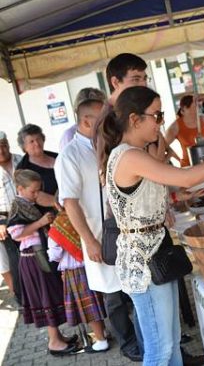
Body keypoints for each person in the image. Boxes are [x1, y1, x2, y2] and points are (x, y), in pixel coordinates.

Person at [97, 86, 204, 365]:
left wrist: (180, 195)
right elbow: (185, 177)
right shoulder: (129, 155)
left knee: (170, 346)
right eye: (157, 115)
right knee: (160, 350)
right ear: (134, 119)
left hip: (154, 255)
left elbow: (164, 187)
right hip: (144, 264)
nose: (161, 122)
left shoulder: (134, 153)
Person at [56, 87, 142, 362]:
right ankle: (128, 343)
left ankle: (148, 337)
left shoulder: (111, 144)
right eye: (103, 116)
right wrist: (89, 241)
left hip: (127, 230)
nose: (110, 120)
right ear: (86, 121)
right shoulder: (69, 156)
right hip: (97, 234)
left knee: (137, 288)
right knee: (113, 295)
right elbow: (69, 203)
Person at [7, 170, 79, 356]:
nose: (37, 194)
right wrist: (40, 223)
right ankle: (54, 341)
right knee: (45, 297)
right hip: (33, 259)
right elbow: (15, 234)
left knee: (50, 296)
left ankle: (57, 337)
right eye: (33, 191)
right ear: (20, 189)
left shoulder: (28, 203)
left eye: (39, 190)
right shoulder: (18, 206)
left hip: (39, 257)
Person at [47, 210, 109, 353]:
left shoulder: (58, 226)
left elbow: (54, 254)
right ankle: (104, 333)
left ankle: (101, 340)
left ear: (57, 205)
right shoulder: (82, 217)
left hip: (74, 272)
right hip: (91, 265)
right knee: (98, 301)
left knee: (89, 307)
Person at [15, 124, 59, 213]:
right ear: (24, 147)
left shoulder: (58, 157)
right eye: (31, 141)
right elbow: (36, 196)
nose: (37, 144)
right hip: (48, 217)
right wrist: (61, 203)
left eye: (38, 139)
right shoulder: (23, 168)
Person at [0, 131, 22, 302]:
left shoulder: (21, 160)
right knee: (8, 263)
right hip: (3, 222)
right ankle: (20, 298)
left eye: (3, 145)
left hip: (26, 216)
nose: (1, 150)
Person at [165, 95, 198, 167]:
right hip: (189, 167)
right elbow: (163, 145)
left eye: (197, 107)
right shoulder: (176, 126)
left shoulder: (203, 119)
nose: (196, 110)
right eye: (194, 108)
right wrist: (178, 159)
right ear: (184, 109)